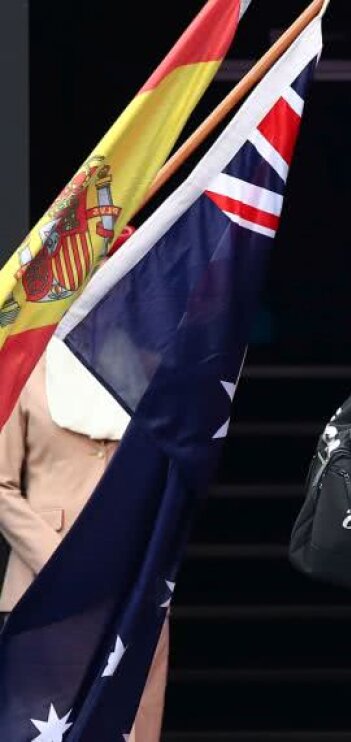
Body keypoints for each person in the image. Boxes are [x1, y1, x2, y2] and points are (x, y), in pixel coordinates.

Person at [0, 225, 170, 742]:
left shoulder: (156, 370)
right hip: (44, 586)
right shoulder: (25, 364)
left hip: (133, 586)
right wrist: (65, 563)